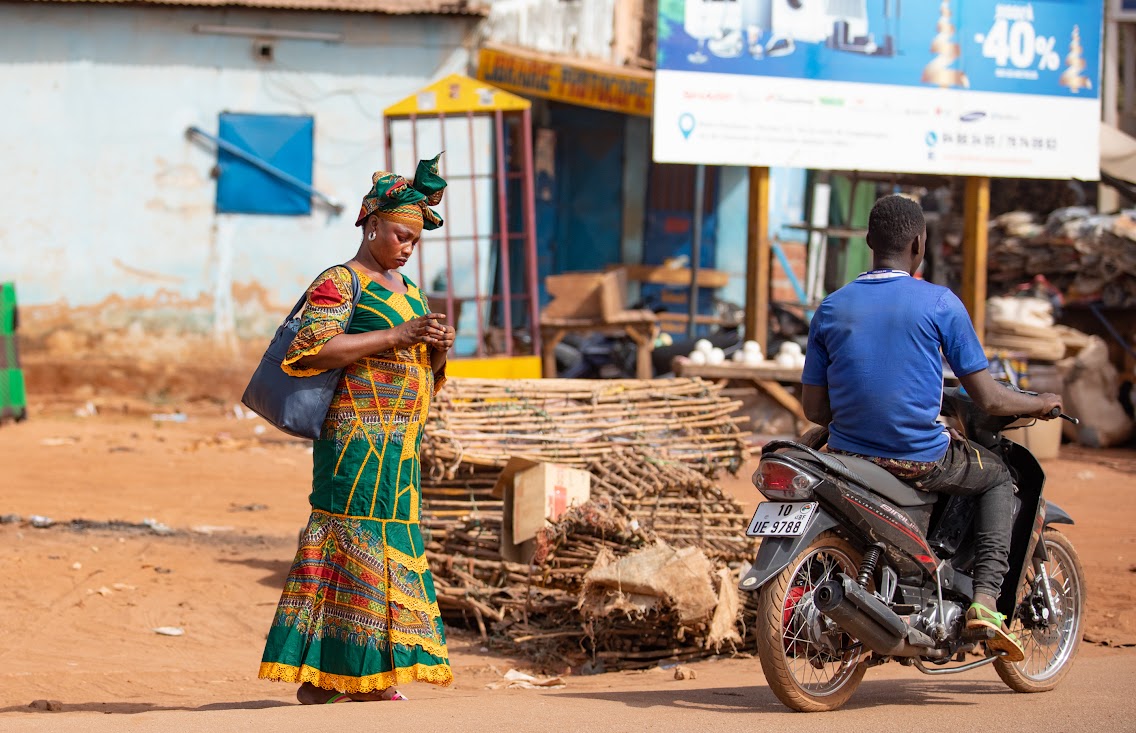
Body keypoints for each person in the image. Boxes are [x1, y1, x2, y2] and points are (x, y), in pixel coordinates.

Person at [800, 194, 1062, 663]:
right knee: (998, 475)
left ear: (868, 242)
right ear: (919, 244)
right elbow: (988, 398)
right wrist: (1040, 403)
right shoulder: (940, 302)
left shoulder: (832, 307)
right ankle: (985, 600)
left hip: (847, 461)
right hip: (918, 459)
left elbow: (815, 410)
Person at [258, 155, 456, 703]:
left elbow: (424, 372)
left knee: (390, 547)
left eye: (414, 240)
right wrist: (400, 335)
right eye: (399, 235)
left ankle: (368, 676)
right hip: (355, 441)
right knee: (350, 541)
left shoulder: (407, 287)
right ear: (371, 226)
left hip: (400, 447)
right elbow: (312, 349)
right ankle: (324, 676)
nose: (407, 247)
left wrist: (438, 351)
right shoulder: (339, 281)